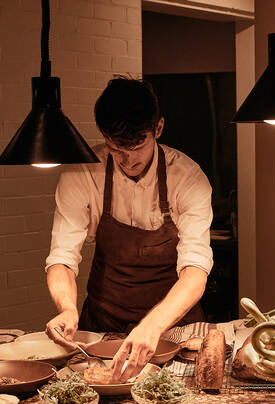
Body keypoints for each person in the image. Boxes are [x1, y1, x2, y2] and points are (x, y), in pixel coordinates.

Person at [44, 77, 213, 382]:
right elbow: (62, 259)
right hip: (102, 326)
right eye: (115, 148)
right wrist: (67, 308)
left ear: (158, 128)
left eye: (137, 146)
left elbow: (196, 270)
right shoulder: (82, 172)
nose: (127, 159)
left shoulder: (188, 177)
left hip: (174, 330)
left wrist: (153, 324)